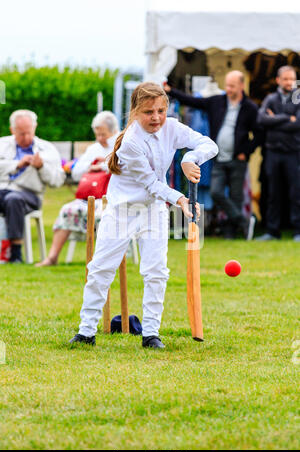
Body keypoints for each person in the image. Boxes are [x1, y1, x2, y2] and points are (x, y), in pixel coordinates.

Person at [69, 82, 218, 349]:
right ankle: (86, 332)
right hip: (122, 210)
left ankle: (150, 334)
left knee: (156, 271)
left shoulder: (171, 127)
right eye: (149, 112)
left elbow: (208, 144)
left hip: (152, 210)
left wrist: (190, 159)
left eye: (161, 110)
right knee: (100, 269)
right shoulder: (130, 143)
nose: (156, 118)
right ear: (135, 112)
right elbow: (151, 183)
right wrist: (181, 199)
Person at [164, 71, 262, 239]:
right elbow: (192, 101)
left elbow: (259, 134)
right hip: (218, 158)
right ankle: (244, 221)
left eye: (231, 86)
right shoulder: (217, 101)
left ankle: (231, 233)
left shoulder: (250, 108)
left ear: (241, 86)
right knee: (216, 192)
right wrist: (170, 90)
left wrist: (245, 152)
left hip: (237, 159)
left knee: (236, 196)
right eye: (227, 85)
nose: (228, 89)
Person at [35, 111, 120, 266]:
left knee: (105, 214)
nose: (100, 139)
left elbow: (125, 168)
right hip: (90, 197)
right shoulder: (94, 149)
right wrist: (91, 166)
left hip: (114, 198)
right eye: (97, 135)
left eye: (103, 135)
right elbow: (75, 173)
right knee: (67, 210)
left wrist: (103, 166)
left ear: (114, 131)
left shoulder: (122, 145)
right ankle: (52, 257)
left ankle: (106, 260)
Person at [0, 109, 65, 263]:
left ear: (34, 127)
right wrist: (17, 164)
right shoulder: (2, 144)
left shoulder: (47, 149)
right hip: (2, 190)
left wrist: (41, 166)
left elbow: (57, 180)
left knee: (13, 199)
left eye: (29, 132)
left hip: (30, 195)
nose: (26, 137)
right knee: (9, 197)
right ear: (12, 130)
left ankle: (15, 254)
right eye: (21, 134)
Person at [256, 66, 300, 241]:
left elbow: (298, 124)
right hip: (273, 152)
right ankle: (272, 231)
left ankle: (298, 231)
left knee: (296, 193)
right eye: (286, 79)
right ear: (278, 80)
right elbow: (261, 119)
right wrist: (286, 118)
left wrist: (274, 119)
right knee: (273, 193)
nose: (289, 82)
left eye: (292, 79)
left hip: (293, 152)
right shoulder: (270, 98)